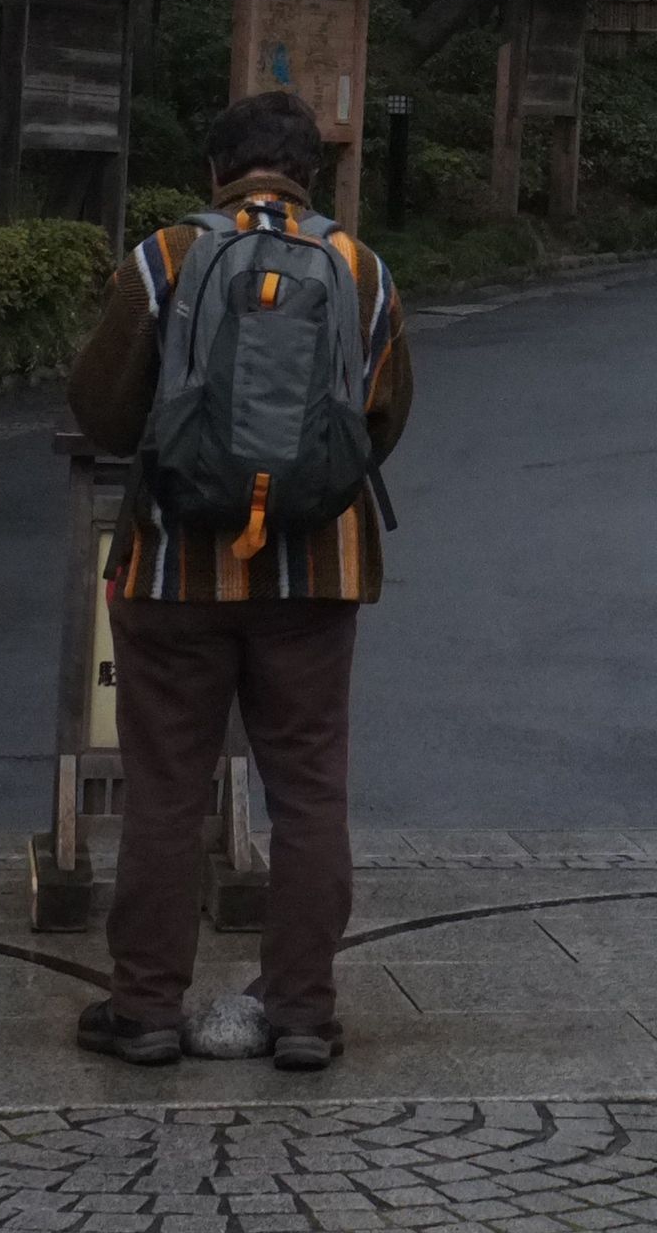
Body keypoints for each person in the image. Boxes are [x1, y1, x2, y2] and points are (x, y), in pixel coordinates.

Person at [64, 89, 410, 1072]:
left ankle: (145, 1009)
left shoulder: (164, 257)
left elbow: (102, 408)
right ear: (311, 174)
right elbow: (382, 417)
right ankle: (300, 1011)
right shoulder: (362, 269)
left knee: (166, 792)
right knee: (309, 791)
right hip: (317, 571)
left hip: (174, 567)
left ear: (216, 169)